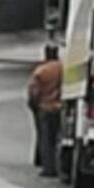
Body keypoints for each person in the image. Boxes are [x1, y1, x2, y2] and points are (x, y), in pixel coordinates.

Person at [28, 44, 63, 178]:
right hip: (59, 106)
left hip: (45, 107)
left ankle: (48, 167)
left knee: (46, 139)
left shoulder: (41, 71)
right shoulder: (62, 69)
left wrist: (33, 104)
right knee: (56, 138)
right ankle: (57, 164)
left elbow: (34, 91)